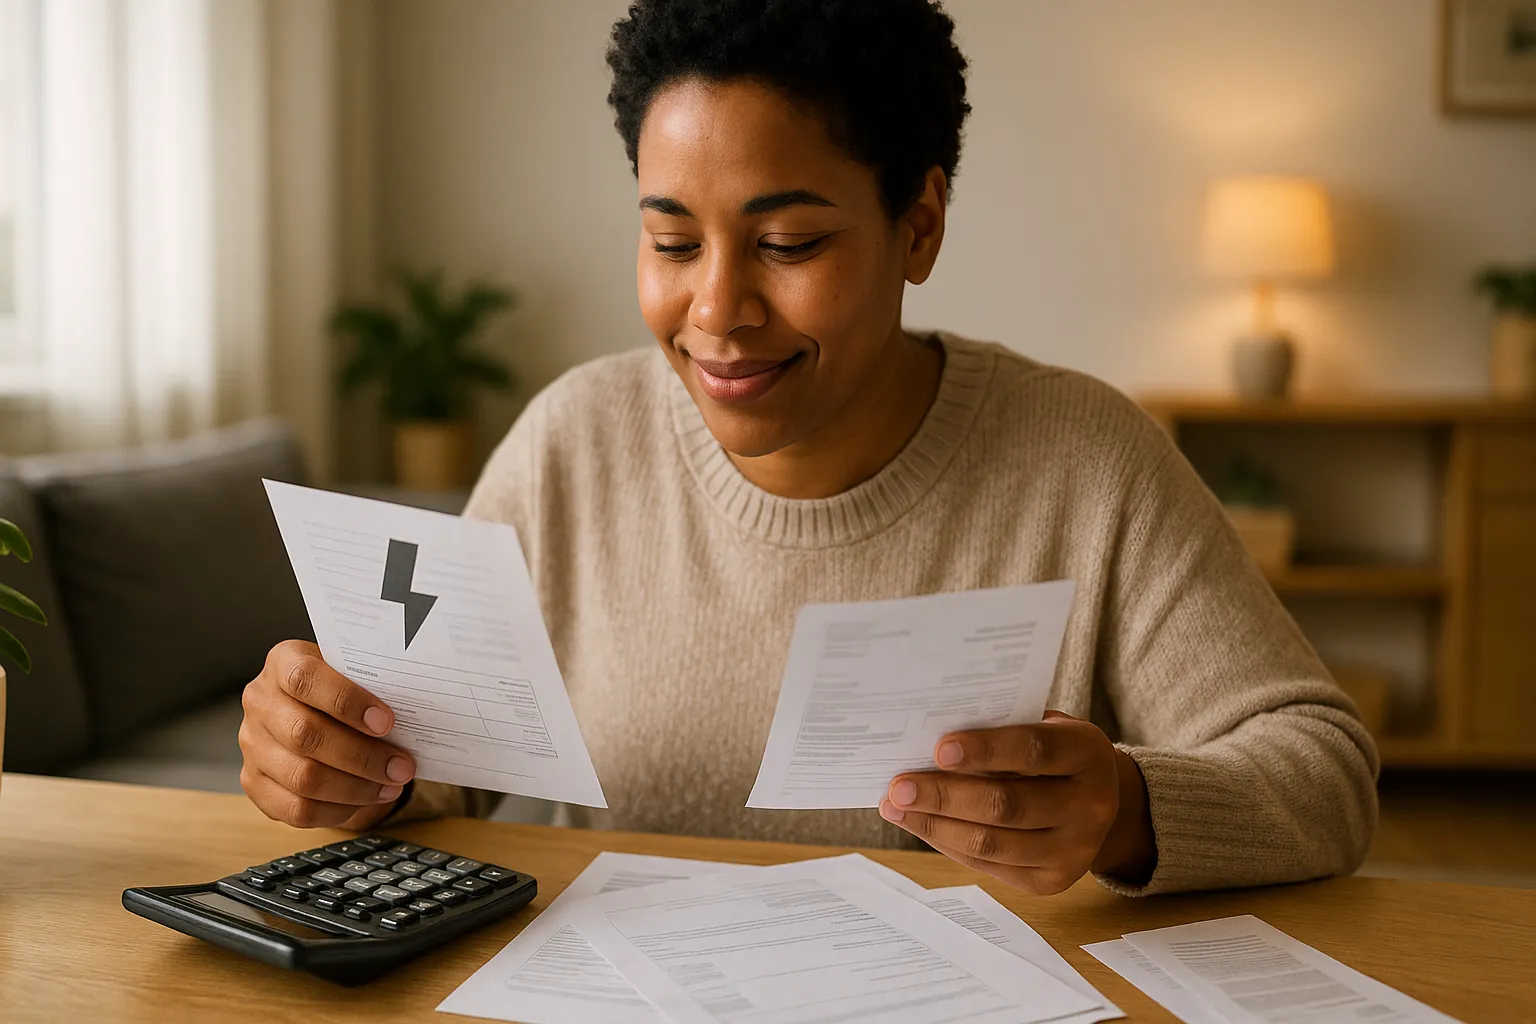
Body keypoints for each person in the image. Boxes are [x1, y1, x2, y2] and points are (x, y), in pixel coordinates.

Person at [238, 0, 1377, 896]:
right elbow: (432, 776)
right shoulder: (572, 445)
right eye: (672, 239)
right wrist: (342, 763)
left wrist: (1124, 811)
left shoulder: (1086, 462)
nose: (719, 310)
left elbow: (1322, 768)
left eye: (788, 242)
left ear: (919, 222)